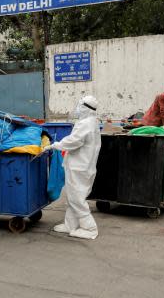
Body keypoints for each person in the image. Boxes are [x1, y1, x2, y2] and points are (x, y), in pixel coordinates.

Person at [43, 95, 102, 240]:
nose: (77, 108)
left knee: (76, 198)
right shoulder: (92, 122)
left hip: (79, 167)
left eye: (80, 106)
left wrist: (55, 145)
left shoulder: (85, 124)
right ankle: (70, 224)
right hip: (84, 166)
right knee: (73, 197)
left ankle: (89, 228)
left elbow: (73, 142)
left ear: (85, 108)